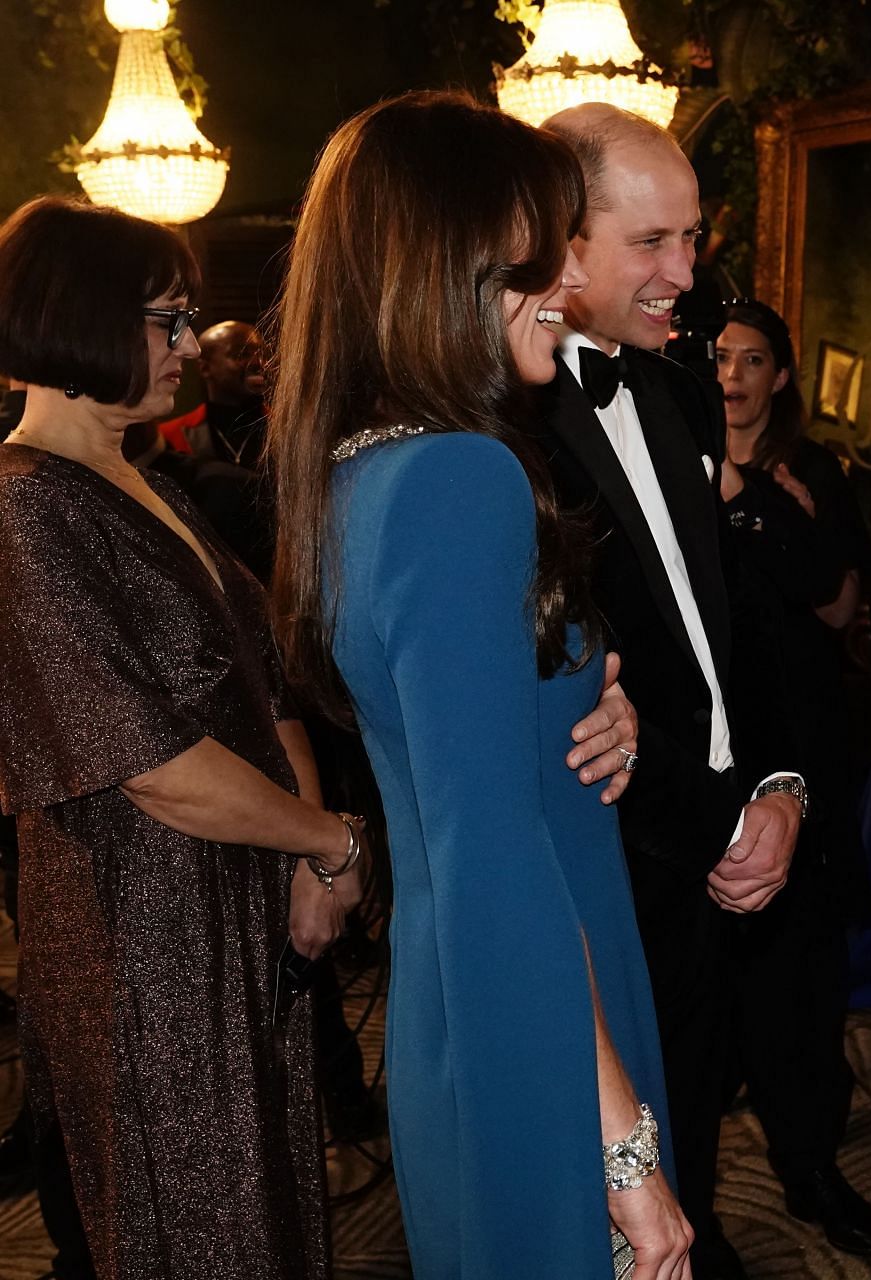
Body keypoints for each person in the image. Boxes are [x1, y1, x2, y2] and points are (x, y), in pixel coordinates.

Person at [267, 91, 691, 1279]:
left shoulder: (357, 472)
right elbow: (490, 850)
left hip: (475, 989)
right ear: (442, 264)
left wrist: (589, 708)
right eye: (535, 251)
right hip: (541, 1000)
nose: (565, 278)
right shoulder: (460, 478)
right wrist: (618, 1145)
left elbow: (460, 750)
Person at [0, 196, 363, 1279]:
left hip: (237, 906)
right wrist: (329, 839)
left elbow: (262, 681)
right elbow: (149, 765)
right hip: (143, 938)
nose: (193, 344)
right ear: (79, 319)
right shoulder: (23, 509)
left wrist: (306, 848)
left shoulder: (143, 480)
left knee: (270, 1216)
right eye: (169, 318)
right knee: (198, 1235)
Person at [538, 102, 806, 1280]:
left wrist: (778, 784)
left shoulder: (678, 389)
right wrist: (700, 823)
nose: (686, 276)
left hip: (721, 846)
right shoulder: (496, 419)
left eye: (693, 240)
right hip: (599, 859)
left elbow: (732, 627)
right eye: (653, 242)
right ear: (558, 237)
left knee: (690, 1121)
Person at [707, 297, 871, 1256]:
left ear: (781, 375)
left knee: (803, 976)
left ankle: (812, 1168)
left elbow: (835, 604)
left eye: (752, 360)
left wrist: (756, 497)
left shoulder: (810, 470)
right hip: (700, 756)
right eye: (720, 357)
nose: (732, 375)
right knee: (699, 983)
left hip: (804, 754)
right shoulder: (662, 468)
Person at [156, 319, 266, 465]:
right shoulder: (169, 436)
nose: (258, 363)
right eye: (241, 355)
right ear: (205, 368)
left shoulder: (290, 428)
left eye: (262, 354)